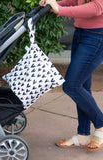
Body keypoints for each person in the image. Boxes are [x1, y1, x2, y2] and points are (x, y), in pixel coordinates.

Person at [39, 0, 103, 151]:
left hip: (97, 37)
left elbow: (97, 8)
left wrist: (59, 9)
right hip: (81, 33)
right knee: (82, 87)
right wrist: (53, 4)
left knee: (71, 86)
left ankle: (100, 123)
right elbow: (77, 1)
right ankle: (83, 134)